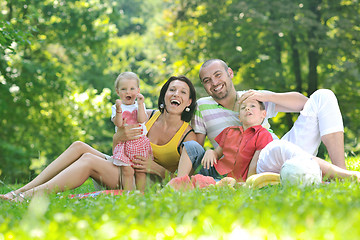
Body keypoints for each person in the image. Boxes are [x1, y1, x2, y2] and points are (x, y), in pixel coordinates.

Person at [0, 75, 198, 202]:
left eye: (182, 92)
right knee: (79, 146)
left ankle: (26, 197)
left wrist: (154, 167)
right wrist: (118, 136)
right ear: (164, 95)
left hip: (148, 183)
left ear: (188, 102)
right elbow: (118, 145)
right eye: (172, 90)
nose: (176, 94)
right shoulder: (146, 116)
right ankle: (21, 190)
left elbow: (185, 181)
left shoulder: (188, 136)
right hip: (125, 166)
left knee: (88, 161)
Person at [191, 59, 346, 170]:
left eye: (218, 75)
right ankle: (326, 171)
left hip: (281, 148)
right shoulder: (202, 107)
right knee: (279, 151)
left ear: (229, 73)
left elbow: (306, 104)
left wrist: (267, 97)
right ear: (204, 85)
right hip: (260, 163)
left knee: (323, 96)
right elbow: (196, 148)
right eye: (207, 80)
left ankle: (341, 169)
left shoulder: (252, 97)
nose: (214, 82)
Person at [176, 99, 273, 182]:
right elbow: (217, 153)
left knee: (208, 183)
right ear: (239, 117)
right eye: (243, 108)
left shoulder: (264, 135)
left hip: (234, 180)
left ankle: (197, 182)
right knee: (192, 145)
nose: (247, 108)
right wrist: (210, 152)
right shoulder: (229, 131)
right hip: (213, 169)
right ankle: (178, 182)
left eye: (252, 106)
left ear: (263, 114)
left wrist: (248, 183)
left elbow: (255, 163)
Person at [111, 72, 151, 192]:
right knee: (127, 170)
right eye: (124, 89)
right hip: (123, 144)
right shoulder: (116, 107)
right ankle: (128, 194)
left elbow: (142, 119)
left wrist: (140, 104)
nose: (128, 92)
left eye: (132, 89)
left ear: (138, 91)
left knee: (140, 171)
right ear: (118, 92)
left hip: (140, 142)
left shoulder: (140, 105)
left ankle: (141, 194)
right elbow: (118, 124)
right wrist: (118, 110)